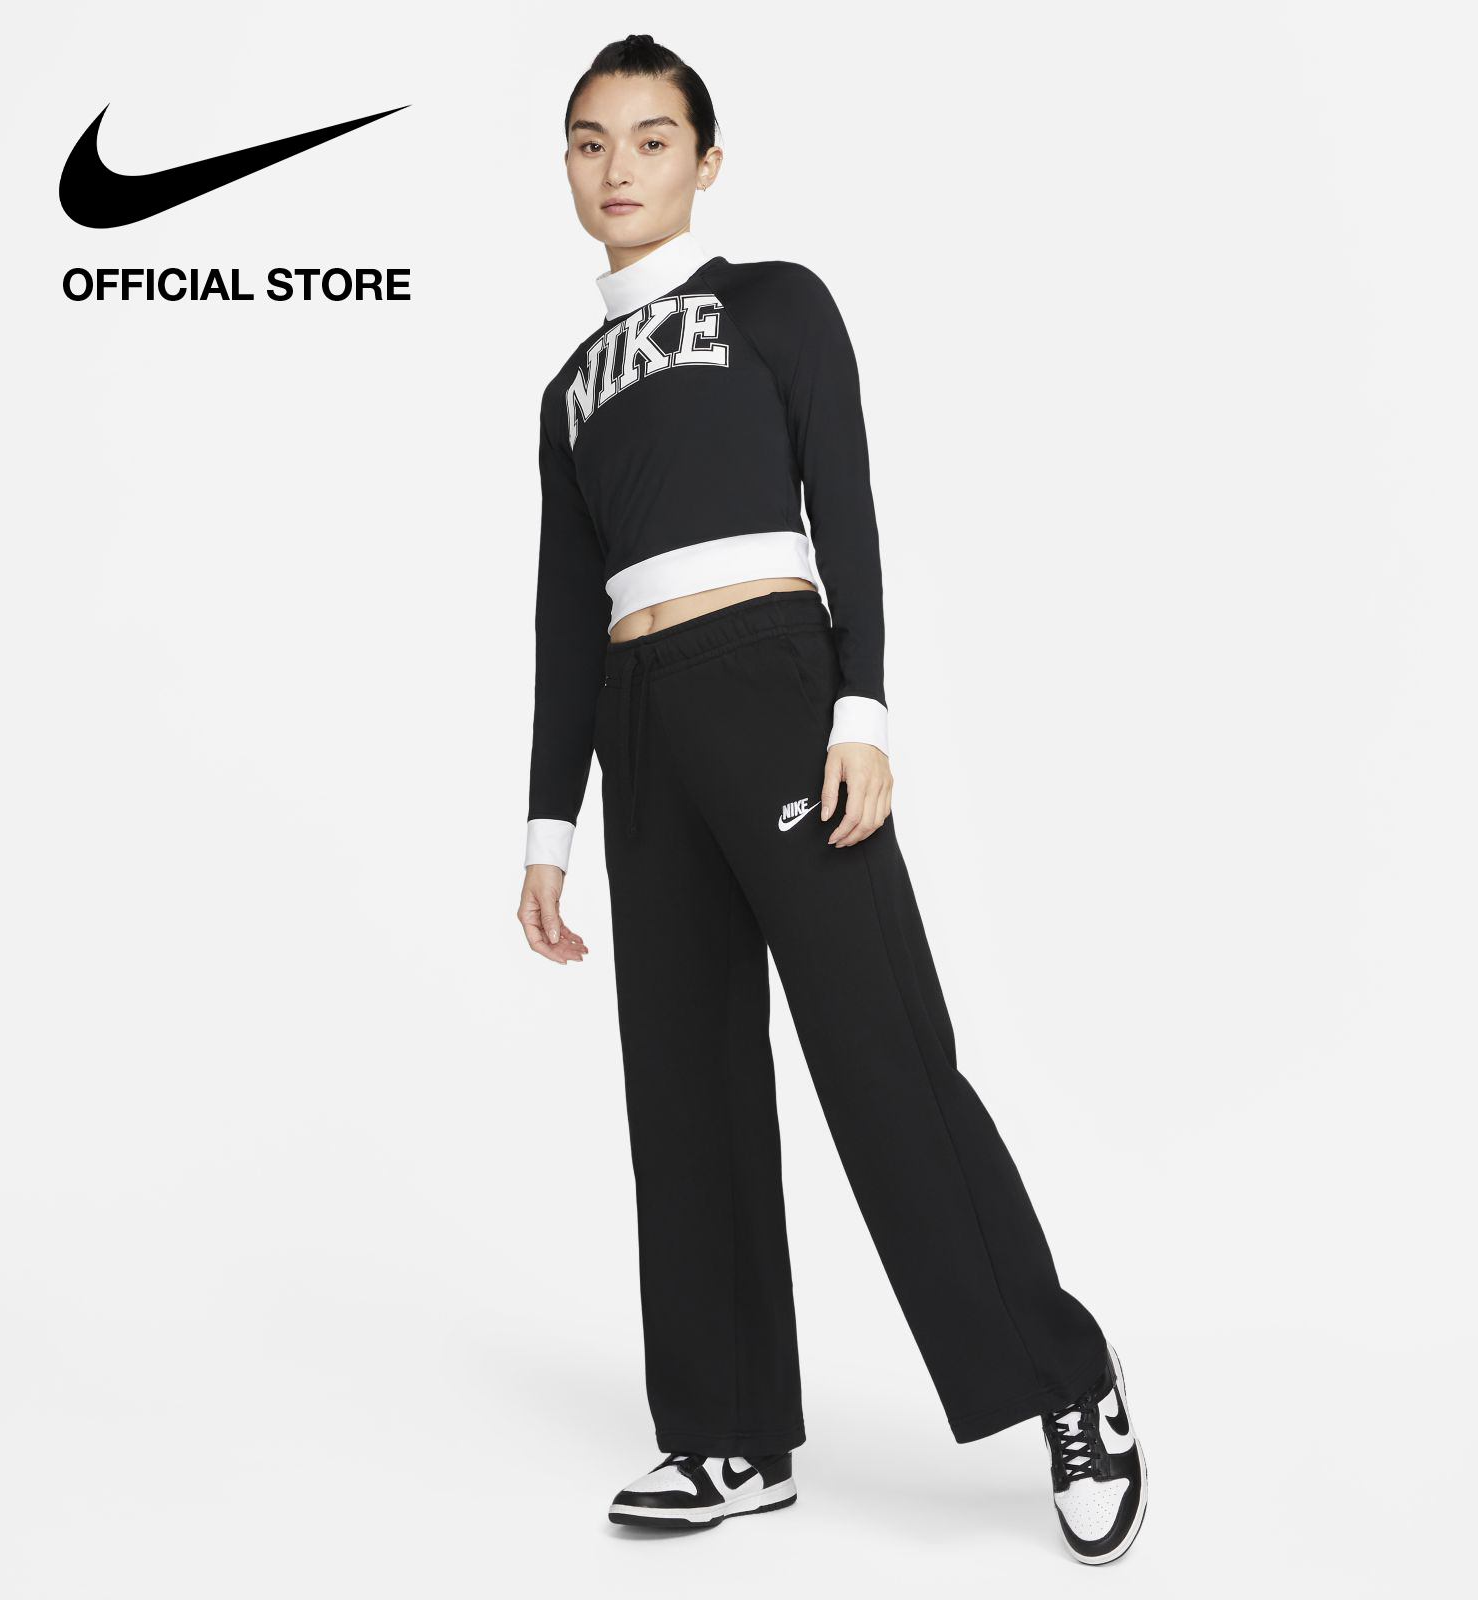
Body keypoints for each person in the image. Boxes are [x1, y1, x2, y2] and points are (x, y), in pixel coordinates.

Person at [515, 33, 1148, 1566]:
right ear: (567, 167)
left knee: (882, 1060)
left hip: (773, 685)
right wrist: (549, 827)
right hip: (642, 726)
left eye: (652, 140)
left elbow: (842, 502)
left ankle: (1069, 1383)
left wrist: (860, 704)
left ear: (705, 161)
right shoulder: (567, 390)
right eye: (592, 142)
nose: (619, 168)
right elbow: (562, 619)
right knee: (684, 1086)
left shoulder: (777, 303)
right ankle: (730, 1434)